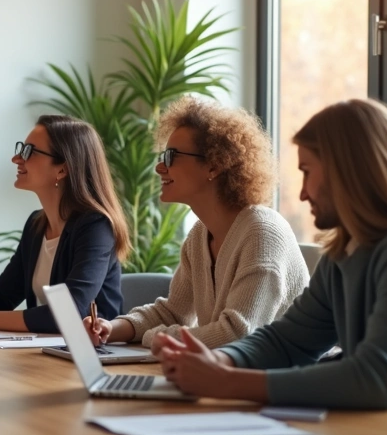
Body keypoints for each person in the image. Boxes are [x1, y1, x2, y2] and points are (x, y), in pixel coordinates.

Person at [158, 99, 387, 433]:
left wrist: (228, 381)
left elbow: (378, 380)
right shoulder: (344, 253)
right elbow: (287, 341)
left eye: (307, 172)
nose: (302, 194)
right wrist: (222, 361)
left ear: (347, 173)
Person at [83, 97, 308, 355]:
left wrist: (157, 337)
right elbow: (172, 312)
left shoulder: (262, 233)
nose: (159, 167)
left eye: (171, 156)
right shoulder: (200, 235)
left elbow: (237, 334)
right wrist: (111, 328)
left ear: (214, 165)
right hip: (233, 370)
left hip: (284, 376)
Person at [0, 115, 128, 333]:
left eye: (29, 151)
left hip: (94, 350)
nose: (16, 158)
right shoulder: (36, 225)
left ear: (62, 169)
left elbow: (69, 312)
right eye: (21, 149)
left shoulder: (96, 227)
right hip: (46, 348)